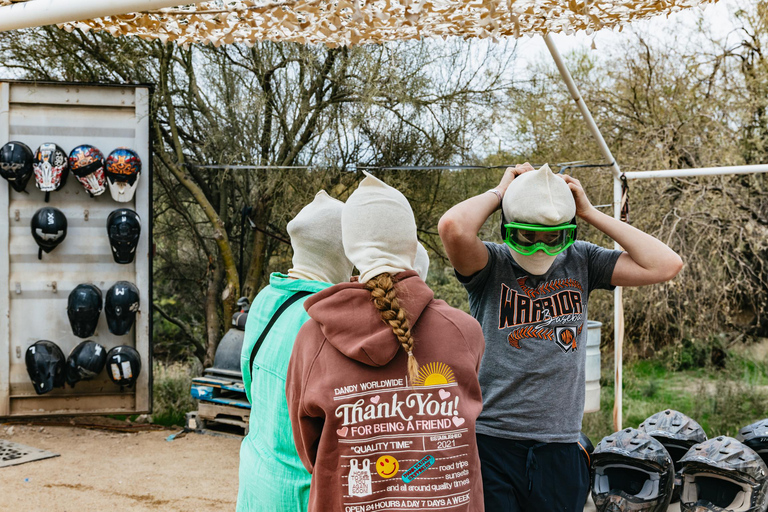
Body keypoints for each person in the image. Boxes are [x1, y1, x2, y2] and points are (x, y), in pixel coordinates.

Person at [438, 163, 683, 512]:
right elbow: (453, 227)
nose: (540, 247)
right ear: (508, 228)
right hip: (492, 440)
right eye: (528, 234)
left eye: (552, 236)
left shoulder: (582, 259)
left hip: (561, 444)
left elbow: (665, 264)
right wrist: (501, 192)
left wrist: (589, 211)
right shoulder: (490, 264)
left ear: (566, 232)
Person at [286, 172, 486, 512]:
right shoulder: (464, 330)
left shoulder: (312, 338)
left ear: (350, 248)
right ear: (411, 245)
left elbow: (310, 451)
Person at [237, 190, 353, 512]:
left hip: (255, 479)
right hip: (302, 493)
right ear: (342, 252)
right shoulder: (330, 318)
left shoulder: (264, 300)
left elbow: (252, 387)